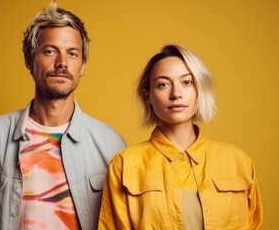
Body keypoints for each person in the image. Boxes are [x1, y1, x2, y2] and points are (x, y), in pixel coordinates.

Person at [0, 1, 125, 230]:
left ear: (83, 65)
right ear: (29, 60)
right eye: (50, 51)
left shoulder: (111, 144)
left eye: (73, 54)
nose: (62, 63)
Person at [98, 44, 263, 229]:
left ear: (199, 90)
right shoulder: (124, 165)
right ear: (148, 97)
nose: (176, 94)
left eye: (187, 82)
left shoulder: (237, 161)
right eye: (163, 84)